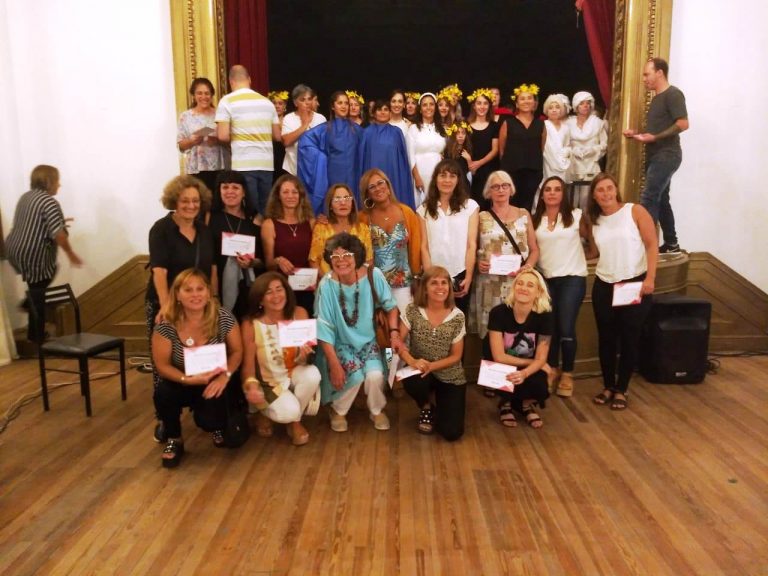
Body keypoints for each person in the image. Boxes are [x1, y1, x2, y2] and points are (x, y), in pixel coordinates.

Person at [146, 175, 216, 443]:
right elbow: (159, 271)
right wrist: (166, 306)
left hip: (199, 303)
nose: (190, 205)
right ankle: (166, 420)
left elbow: (211, 268)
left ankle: (202, 406)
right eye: (185, 200)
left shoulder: (205, 230)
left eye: (195, 201)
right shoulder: (161, 229)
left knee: (200, 353)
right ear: (174, 201)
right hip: (167, 303)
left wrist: (214, 299)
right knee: (164, 362)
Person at [152, 269, 243, 467]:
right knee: (163, 392)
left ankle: (216, 426)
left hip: (215, 379)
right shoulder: (166, 324)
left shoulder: (223, 317)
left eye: (200, 289)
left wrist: (225, 376)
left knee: (211, 421)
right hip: (182, 380)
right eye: (188, 290)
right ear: (177, 295)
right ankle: (174, 438)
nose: (195, 294)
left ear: (209, 292)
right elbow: (162, 365)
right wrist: (187, 379)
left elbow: (237, 352)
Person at [582, 173, 658, 411]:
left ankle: (622, 389)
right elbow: (593, 253)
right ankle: (608, 386)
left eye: (609, 188)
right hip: (604, 284)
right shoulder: (594, 221)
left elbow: (652, 244)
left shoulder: (634, 211)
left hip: (633, 283)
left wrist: (650, 278)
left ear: (616, 190)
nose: (605, 193)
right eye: (600, 190)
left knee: (629, 339)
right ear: (594, 196)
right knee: (606, 339)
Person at [315, 233, 399, 432]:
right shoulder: (326, 285)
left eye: (347, 255)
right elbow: (323, 327)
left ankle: (376, 410)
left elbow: (391, 307)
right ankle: (338, 410)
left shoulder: (373, 275)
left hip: (370, 342)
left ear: (358, 256)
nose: (341, 261)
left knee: (375, 375)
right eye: (335, 256)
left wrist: (394, 333)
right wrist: (334, 363)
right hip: (340, 343)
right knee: (355, 377)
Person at [240, 272, 321, 446]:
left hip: (293, 372)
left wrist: (304, 356)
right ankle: (264, 412)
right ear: (260, 299)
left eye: (279, 289)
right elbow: (247, 365)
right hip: (269, 383)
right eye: (268, 292)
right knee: (288, 411)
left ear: (286, 291)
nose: (276, 295)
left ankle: (295, 422)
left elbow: (306, 359)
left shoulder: (299, 313)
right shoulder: (250, 324)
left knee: (313, 374)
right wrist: (251, 386)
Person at [6, 165, 83, 342]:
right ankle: (36, 332)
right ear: (48, 182)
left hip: (14, 249)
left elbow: (34, 222)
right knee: (40, 290)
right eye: (57, 181)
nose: (59, 185)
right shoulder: (49, 202)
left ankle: (34, 330)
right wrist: (71, 254)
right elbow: (59, 235)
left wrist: (59, 222)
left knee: (37, 288)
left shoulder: (26, 197)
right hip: (33, 252)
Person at [623, 57, 689, 254]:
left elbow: (683, 124)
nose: (644, 79)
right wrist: (637, 133)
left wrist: (655, 137)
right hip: (657, 155)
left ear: (659, 73)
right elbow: (656, 131)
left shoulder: (673, 94)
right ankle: (671, 244)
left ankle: (644, 247)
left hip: (667, 154)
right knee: (661, 199)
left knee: (649, 196)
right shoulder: (656, 99)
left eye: (647, 74)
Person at [532, 176, 587, 396]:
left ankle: (568, 373)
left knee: (566, 327)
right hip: (546, 280)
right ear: (542, 195)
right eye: (548, 189)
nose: (552, 193)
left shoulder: (576, 215)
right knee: (549, 327)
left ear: (563, 194)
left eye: (557, 189)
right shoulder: (535, 220)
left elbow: (592, 242)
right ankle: (551, 369)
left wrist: (586, 258)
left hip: (572, 278)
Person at [398, 266, 467, 441]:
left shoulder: (458, 316)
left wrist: (431, 366)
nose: (440, 287)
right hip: (419, 370)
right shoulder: (412, 310)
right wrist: (411, 361)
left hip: (450, 375)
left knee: (452, 433)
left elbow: (456, 356)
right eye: (434, 283)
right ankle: (426, 406)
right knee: (412, 381)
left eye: (444, 282)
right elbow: (397, 343)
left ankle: (442, 405)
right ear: (425, 288)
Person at [469, 170, 539, 338]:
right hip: (489, 284)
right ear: (489, 191)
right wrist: (477, 263)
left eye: (504, 185)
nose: (500, 190)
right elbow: (471, 247)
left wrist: (528, 266)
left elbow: (534, 249)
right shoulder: (481, 217)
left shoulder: (524, 214)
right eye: (495, 187)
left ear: (511, 188)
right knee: (491, 333)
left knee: (516, 334)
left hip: (518, 283)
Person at [486, 268, 553, 429]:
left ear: (538, 292)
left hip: (528, 365)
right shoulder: (498, 313)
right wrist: (534, 363)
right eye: (520, 283)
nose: (523, 288)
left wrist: (525, 373)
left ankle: (525, 404)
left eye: (530, 285)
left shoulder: (545, 316)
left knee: (541, 383)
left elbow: (541, 357)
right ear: (514, 287)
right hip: (502, 363)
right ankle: (506, 403)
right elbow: (499, 357)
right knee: (508, 373)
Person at [215, 65, 282, 216]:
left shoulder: (227, 101)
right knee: (266, 210)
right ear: (249, 80)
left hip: (243, 163)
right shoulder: (267, 102)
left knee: (249, 211)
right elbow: (277, 136)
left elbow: (222, 136)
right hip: (266, 163)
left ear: (231, 82)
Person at [417, 159, 479, 315]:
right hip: (434, 274)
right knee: (435, 320)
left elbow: (471, 244)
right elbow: (424, 246)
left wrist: (469, 277)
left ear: (458, 180)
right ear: (435, 179)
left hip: (460, 272)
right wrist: (430, 278)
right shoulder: (423, 209)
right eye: (443, 175)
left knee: (458, 320)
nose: (447, 180)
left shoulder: (470, 206)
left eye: (452, 176)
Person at [358, 168, 422, 314]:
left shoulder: (406, 212)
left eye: (380, 183)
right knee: (380, 326)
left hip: (404, 284)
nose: (377, 188)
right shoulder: (362, 218)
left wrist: (417, 277)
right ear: (367, 193)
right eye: (372, 187)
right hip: (374, 285)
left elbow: (415, 248)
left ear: (387, 185)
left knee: (405, 325)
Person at [207, 171, 264, 318]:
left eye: (235, 187)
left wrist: (251, 262)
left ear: (244, 192)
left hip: (247, 286)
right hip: (216, 285)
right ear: (219, 191)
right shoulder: (209, 217)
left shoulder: (255, 220)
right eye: (225, 187)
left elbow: (262, 261)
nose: (230, 191)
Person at [298, 90, 362, 214]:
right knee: (333, 205)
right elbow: (305, 142)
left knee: (351, 207)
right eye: (340, 103)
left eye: (346, 103)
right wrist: (321, 158)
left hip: (353, 176)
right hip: (332, 175)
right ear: (333, 106)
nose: (344, 106)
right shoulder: (325, 129)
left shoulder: (357, 130)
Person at [260, 174, 315, 314]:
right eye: (285, 192)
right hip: (282, 290)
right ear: (278, 196)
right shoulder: (269, 225)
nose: (290, 196)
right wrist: (278, 261)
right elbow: (268, 264)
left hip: (309, 288)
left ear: (300, 195)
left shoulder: (311, 223)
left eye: (294, 192)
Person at [358, 99, 415, 209]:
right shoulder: (367, 133)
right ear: (374, 113)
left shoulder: (396, 132)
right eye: (379, 109)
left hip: (393, 174)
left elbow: (403, 160)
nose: (383, 112)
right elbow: (362, 159)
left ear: (390, 113)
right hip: (372, 173)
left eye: (386, 109)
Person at [177, 78, 225, 206]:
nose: (203, 97)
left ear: (212, 95)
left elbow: (229, 140)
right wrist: (191, 141)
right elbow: (181, 145)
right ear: (193, 95)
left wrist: (217, 139)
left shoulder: (220, 115)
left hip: (219, 166)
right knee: (199, 204)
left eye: (207, 93)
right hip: (196, 168)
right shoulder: (186, 116)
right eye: (199, 93)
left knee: (216, 204)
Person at [499, 83, 546, 210]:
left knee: (527, 206)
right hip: (512, 171)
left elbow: (541, 148)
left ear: (534, 103)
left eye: (529, 98)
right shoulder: (508, 123)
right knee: (511, 204)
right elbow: (502, 150)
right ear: (517, 103)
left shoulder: (541, 124)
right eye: (522, 99)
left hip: (533, 171)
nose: (526, 101)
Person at [309, 184, 373, 275]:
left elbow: (369, 260)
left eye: (347, 198)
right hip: (328, 281)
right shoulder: (321, 228)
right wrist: (328, 281)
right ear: (330, 205)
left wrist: (356, 280)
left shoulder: (363, 229)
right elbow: (313, 260)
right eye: (337, 199)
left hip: (358, 281)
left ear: (352, 203)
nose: (343, 203)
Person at [408, 92, 446, 207]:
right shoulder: (413, 129)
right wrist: (417, 178)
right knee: (421, 205)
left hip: (438, 172)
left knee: (437, 204)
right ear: (420, 109)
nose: (428, 107)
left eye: (431, 104)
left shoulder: (441, 128)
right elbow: (410, 155)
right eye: (425, 105)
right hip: (420, 171)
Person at [280, 84, 326, 176]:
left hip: (315, 170)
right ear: (295, 103)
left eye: (309, 99)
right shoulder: (289, 118)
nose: (307, 102)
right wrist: (304, 125)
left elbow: (324, 145)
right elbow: (286, 141)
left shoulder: (321, 118)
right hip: (293, 170)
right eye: (302, 100)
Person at [466, 88, 500, 205]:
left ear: (489, 106)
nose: (482, 106)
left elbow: (495, 150)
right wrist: (470, 163)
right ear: (474, 106)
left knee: (488, 202)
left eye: (485, 103)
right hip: (470, 170)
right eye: (479, 103)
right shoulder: (466, 125)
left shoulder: (494, 126)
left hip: (488, 169)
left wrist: (478, 163)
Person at [541, 94, 572, 182]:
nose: (554, 110)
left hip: (562, 163)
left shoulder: (566, 128)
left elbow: (567, 145)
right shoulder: (543, 125)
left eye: (557, 107)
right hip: (547, 163)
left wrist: (565, 153)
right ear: (546, 110)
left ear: (561, 110)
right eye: (551, 108)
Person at [268, 90, 289, 181]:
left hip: (285, 157)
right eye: (274, 103)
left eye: (280, 103)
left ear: (285, 106)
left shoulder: (290, 121)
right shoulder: (266, 122)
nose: (277, 106)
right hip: (270, 157)